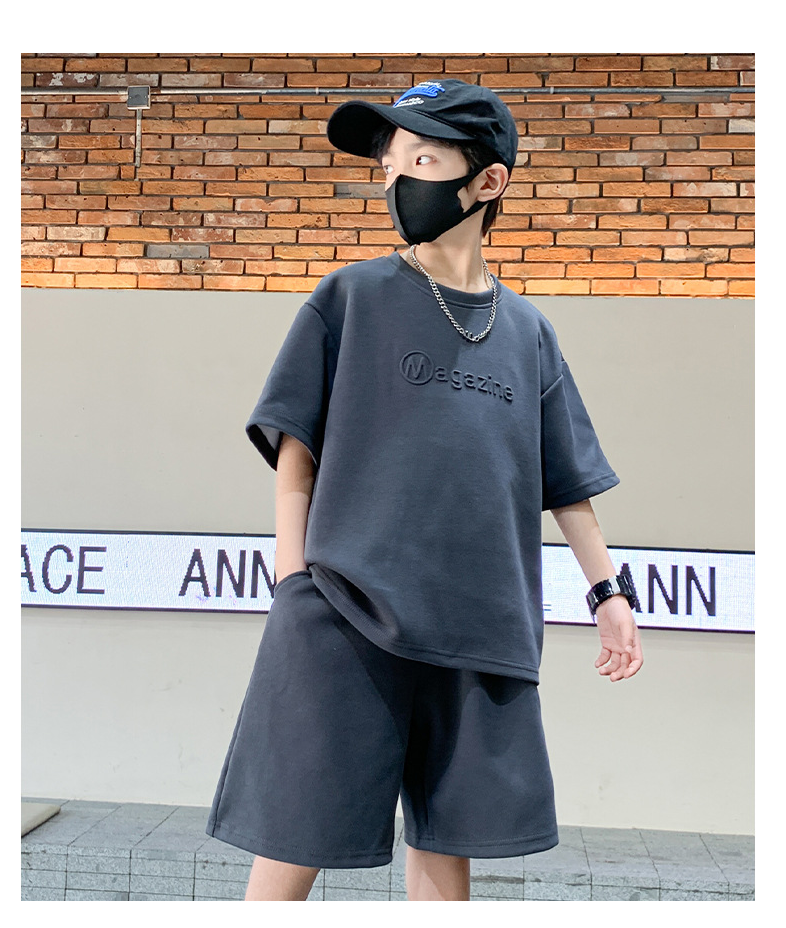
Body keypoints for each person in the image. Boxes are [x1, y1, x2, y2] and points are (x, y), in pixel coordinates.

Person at [205, 78, 644, 901]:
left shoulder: (529, 333)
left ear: (488, 181)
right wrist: (294, 579)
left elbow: (568, 479)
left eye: (421, 160)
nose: (397, 182)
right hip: (345, 610)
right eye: (389, 167)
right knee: (297, 833)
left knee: (449, 847)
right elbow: (295, 447)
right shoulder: (351, 297)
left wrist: (608, 593)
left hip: (480, 622)